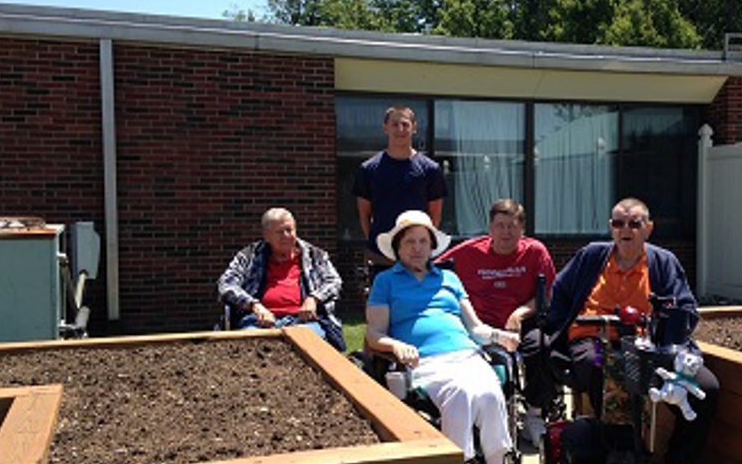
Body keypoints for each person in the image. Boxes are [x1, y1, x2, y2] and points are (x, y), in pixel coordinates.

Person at [365, 210, 533, 464]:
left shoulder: (449, 279)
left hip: (465, 353)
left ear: (431, 246)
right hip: (424, 361)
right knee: (459, 392)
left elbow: (475, 328)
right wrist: (395, 345)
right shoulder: (386, 281)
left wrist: (500, 336)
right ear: (398, 247)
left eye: (423, 241)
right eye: (410, 242)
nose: (416, 248)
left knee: (489, 391)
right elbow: (373, 334)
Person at [539, 197, 718, 464]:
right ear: (611, 228)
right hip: (594, 339)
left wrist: (665, 335)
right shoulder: (592, 256)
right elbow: (560, 293)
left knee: (707, 388)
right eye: (619, 223)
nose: (627, 229)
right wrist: (562, 325)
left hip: (649, 344)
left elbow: (686, 309)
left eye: (635, 224)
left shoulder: (663, 262)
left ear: (648, 228)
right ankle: (620, 451)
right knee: (601, 368)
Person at [436, 198, 556, 446]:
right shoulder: (468, 252)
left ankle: (534, 413)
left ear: (522, 230)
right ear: (490, 228)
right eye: (500, 226)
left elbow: (547, 294)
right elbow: (432, 270)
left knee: (541, 346)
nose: (506, 232)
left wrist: (521, 312)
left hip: (522, 324)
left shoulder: (535, 252)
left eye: (512, 226)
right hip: (480, 326)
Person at [218, 207, 345, 351]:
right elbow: (226, 284)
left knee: (310, 348)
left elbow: (334, 281)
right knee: (250, 350)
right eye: (279, 232)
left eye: (289, 230)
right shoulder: (249, 257)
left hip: (303, 322)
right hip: (258, 322)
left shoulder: (315, 256)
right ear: (266, 236)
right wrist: (254, 305)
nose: (286, 236)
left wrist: (314, 298)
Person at [352, 105, 448, 279]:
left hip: (417, 258)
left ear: (414, 127)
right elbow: (364, 215)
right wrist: (381, 246)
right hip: (380, 259)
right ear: (385, 128)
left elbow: (435, 215)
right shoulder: (369, 169)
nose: (400, 129)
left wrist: (421, 247)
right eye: (395, 124)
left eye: (405, 124)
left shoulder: (430, 169)